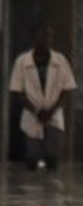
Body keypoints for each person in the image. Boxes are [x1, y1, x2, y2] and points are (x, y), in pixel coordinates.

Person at [9, 26, 77, 170]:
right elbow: (17, 91)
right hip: (32, 114)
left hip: (54, 114)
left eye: (49, 37)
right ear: (33, 39)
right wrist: (36, 111)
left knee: (52, 156)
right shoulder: (22, 61)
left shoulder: (60, 60)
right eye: (43, 36)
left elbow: (68, 89)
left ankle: (51, 190)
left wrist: (51, 111)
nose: (47, 40)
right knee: (31, 156)